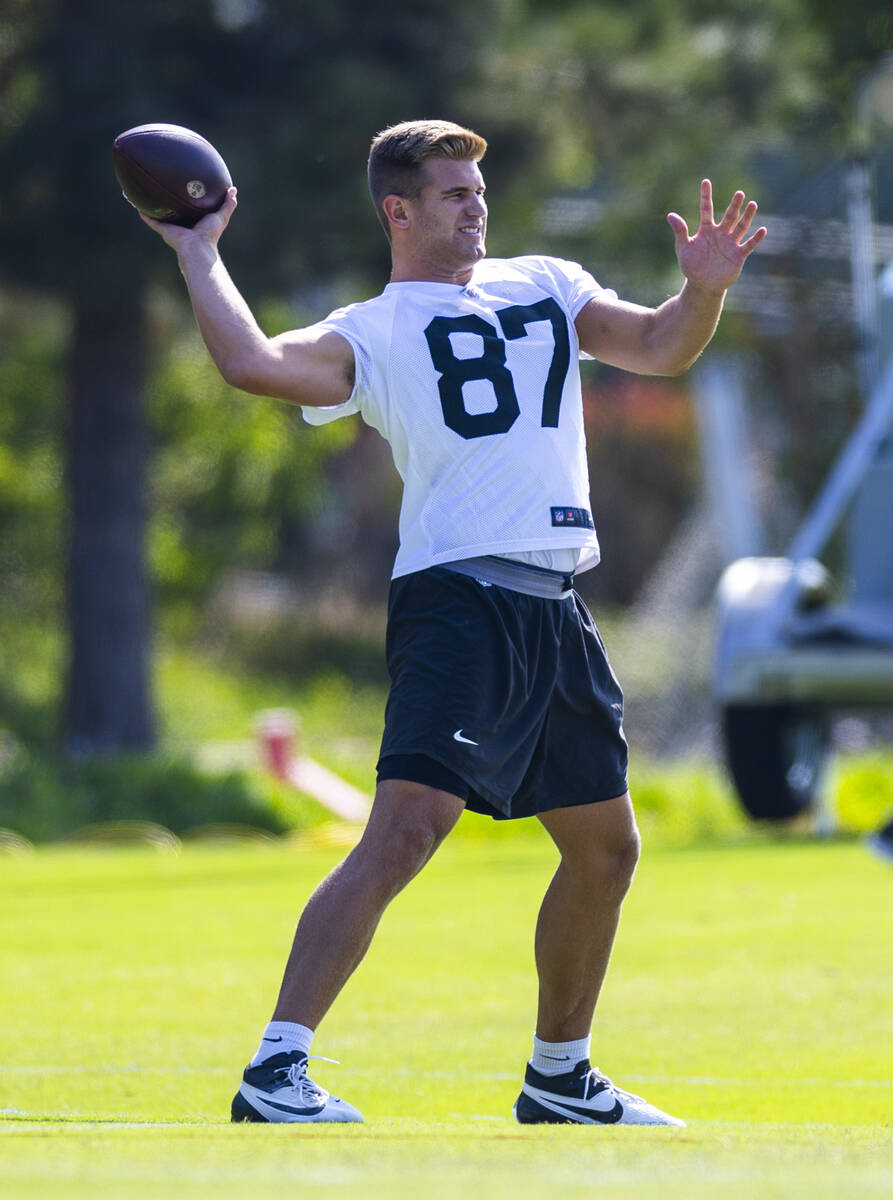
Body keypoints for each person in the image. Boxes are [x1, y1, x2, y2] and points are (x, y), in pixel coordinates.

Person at [141, 119, 766, 1127]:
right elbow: (254, 364)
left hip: (554, 605)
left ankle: (558, 1077)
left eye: (478, 191)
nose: (476, 208)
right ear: (398, 210)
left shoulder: (547, 281)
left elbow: (657, 346)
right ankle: (275, 1069)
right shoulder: (372, 329)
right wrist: (199, 252)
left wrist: (704, 287)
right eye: (451, 194)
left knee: (605, 849)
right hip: (458, 603)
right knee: (403, 834)